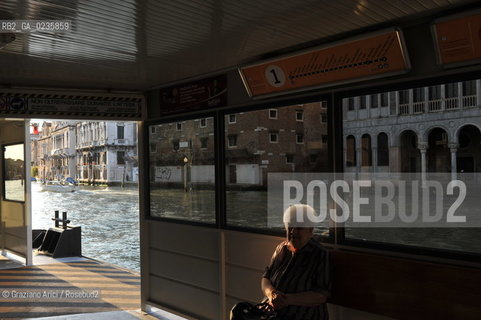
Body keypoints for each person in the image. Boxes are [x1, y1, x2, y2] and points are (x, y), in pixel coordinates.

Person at [261, 204, 332, 320]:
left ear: (310, 230)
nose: (293, 232)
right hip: (272, 312)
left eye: (299, 228)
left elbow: (321, 295)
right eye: (290, 227)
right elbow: (266, 277)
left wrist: (287, 300)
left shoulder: (319, 254)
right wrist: (272, 294)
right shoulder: (281, 249)